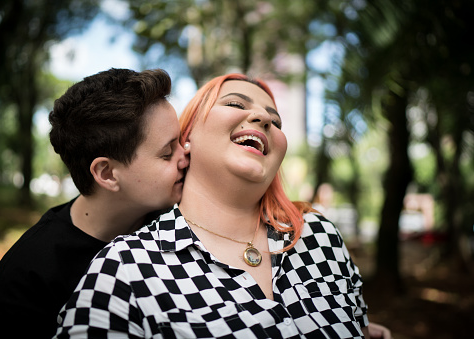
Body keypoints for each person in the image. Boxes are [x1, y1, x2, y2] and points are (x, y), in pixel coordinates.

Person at [55, 73, 382, 338]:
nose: (263, 118)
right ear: (187, 136)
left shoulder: (319, 235)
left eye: (276, 120)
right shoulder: (126, 266)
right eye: (236, 103)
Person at [0, 68, 189, 338]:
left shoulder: (180, 226)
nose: (186, 154)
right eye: (168, 153)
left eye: (182, 140)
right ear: (107, 174)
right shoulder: (25, 284)